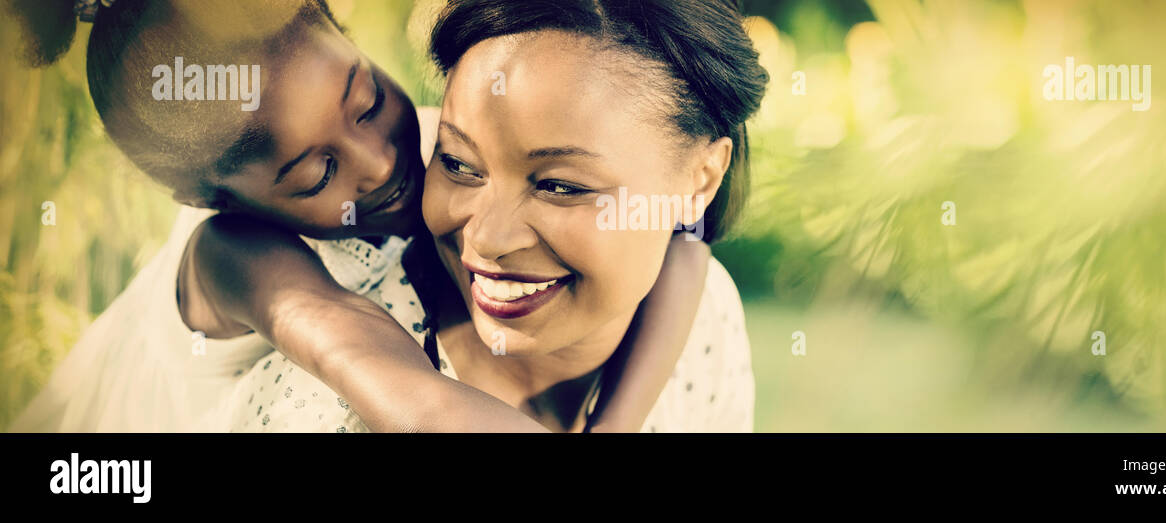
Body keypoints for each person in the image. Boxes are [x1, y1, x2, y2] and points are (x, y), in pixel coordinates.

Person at [7, 0, 709, 432]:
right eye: (316, 171)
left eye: (367, 101)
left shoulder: (455, 151)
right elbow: (411, 398)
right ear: (214, 199)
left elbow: (685, 245)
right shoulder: (233, 257)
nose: (377, 162)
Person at [230, 0, 768, 432]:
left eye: (560, 186)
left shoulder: (706, 320)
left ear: (700, 179)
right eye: (460, 165)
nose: (486, 238)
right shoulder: (324, 409)